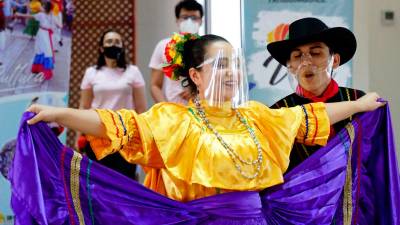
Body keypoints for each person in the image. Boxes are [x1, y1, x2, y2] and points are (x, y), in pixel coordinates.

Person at [27, 33, 385, 204]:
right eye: (220, 65)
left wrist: (359, 105)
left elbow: (309, 117)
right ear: (196, 76)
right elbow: (116, 124)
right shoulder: (174, 121)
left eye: (234, 64)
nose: (231, 72)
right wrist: (60, 112)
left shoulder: (257, 116)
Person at [269, 17, 366, 171]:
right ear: (291, 66)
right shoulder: (278, 112)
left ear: (334, 60)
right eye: (297, 56)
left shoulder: (358, 101)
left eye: (315, 53)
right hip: (300, 195)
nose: (306, 62)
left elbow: (374, 160)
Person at [77, 29, 147, 180]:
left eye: (117, 42)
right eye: (109, 42)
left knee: (124, 185)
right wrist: (79, 137)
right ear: (101, 48)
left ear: (122, 47)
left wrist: (143, 139)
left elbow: (141, 109)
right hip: (96, 135)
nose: (113, 45)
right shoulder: (91, 73)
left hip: (125, 137)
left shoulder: (133, 71)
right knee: (97, 185)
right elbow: (84, 106)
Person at [149, 0, 203, 104]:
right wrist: (166, 108)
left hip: (201, 109)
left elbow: (215, 81)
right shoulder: (164, 46)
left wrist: (197, 89)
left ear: (201, 21)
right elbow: (155, 85)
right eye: (185, 17)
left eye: (194, 17)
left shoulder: (207, 46)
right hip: (172, 110)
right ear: (177, 20)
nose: (189, 21)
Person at [16, 1, 55, 80]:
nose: (41, 7)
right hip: (43, 33)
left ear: (45, 8)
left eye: (43, 6)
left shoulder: (43, 15)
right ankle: (39, 69)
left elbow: (30, 16)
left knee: (45, 51)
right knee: (43, 50)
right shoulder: (50, 15)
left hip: (44, 34)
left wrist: (20, 14)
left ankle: (43, 70)